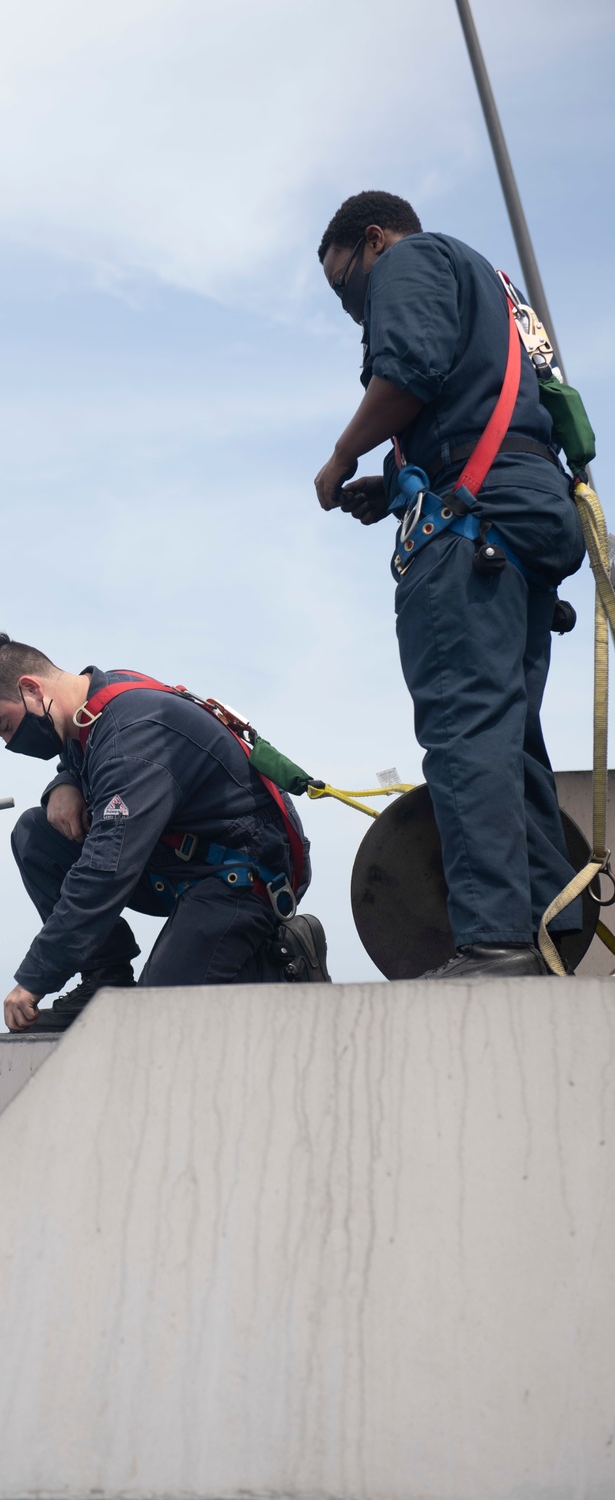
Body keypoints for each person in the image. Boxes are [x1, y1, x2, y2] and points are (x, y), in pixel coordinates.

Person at [314, 189, 584, 980]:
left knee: (466, 731)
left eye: (347, 290)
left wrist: (343, 458)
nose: (352, 310)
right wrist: (398, 480)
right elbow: (471, 399)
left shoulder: (411, 259)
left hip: (476, 532)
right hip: (525, 518)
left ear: (372, 240)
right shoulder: (497, 292)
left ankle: (495, 941)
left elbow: (410, 373)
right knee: (510, 740)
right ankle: (549, 935)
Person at [0, 633, 327, 1031]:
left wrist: (34, 978)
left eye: (6, 726)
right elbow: (92, 764)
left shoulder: (131, 735)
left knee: (147, 1029)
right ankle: (104, 977)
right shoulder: (92, 707)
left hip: (239, 876)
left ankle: (282, 969)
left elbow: (105, 871)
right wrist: (64, 782)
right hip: (178, 863)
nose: (10, 743)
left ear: (30, 688)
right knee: (35, 832)